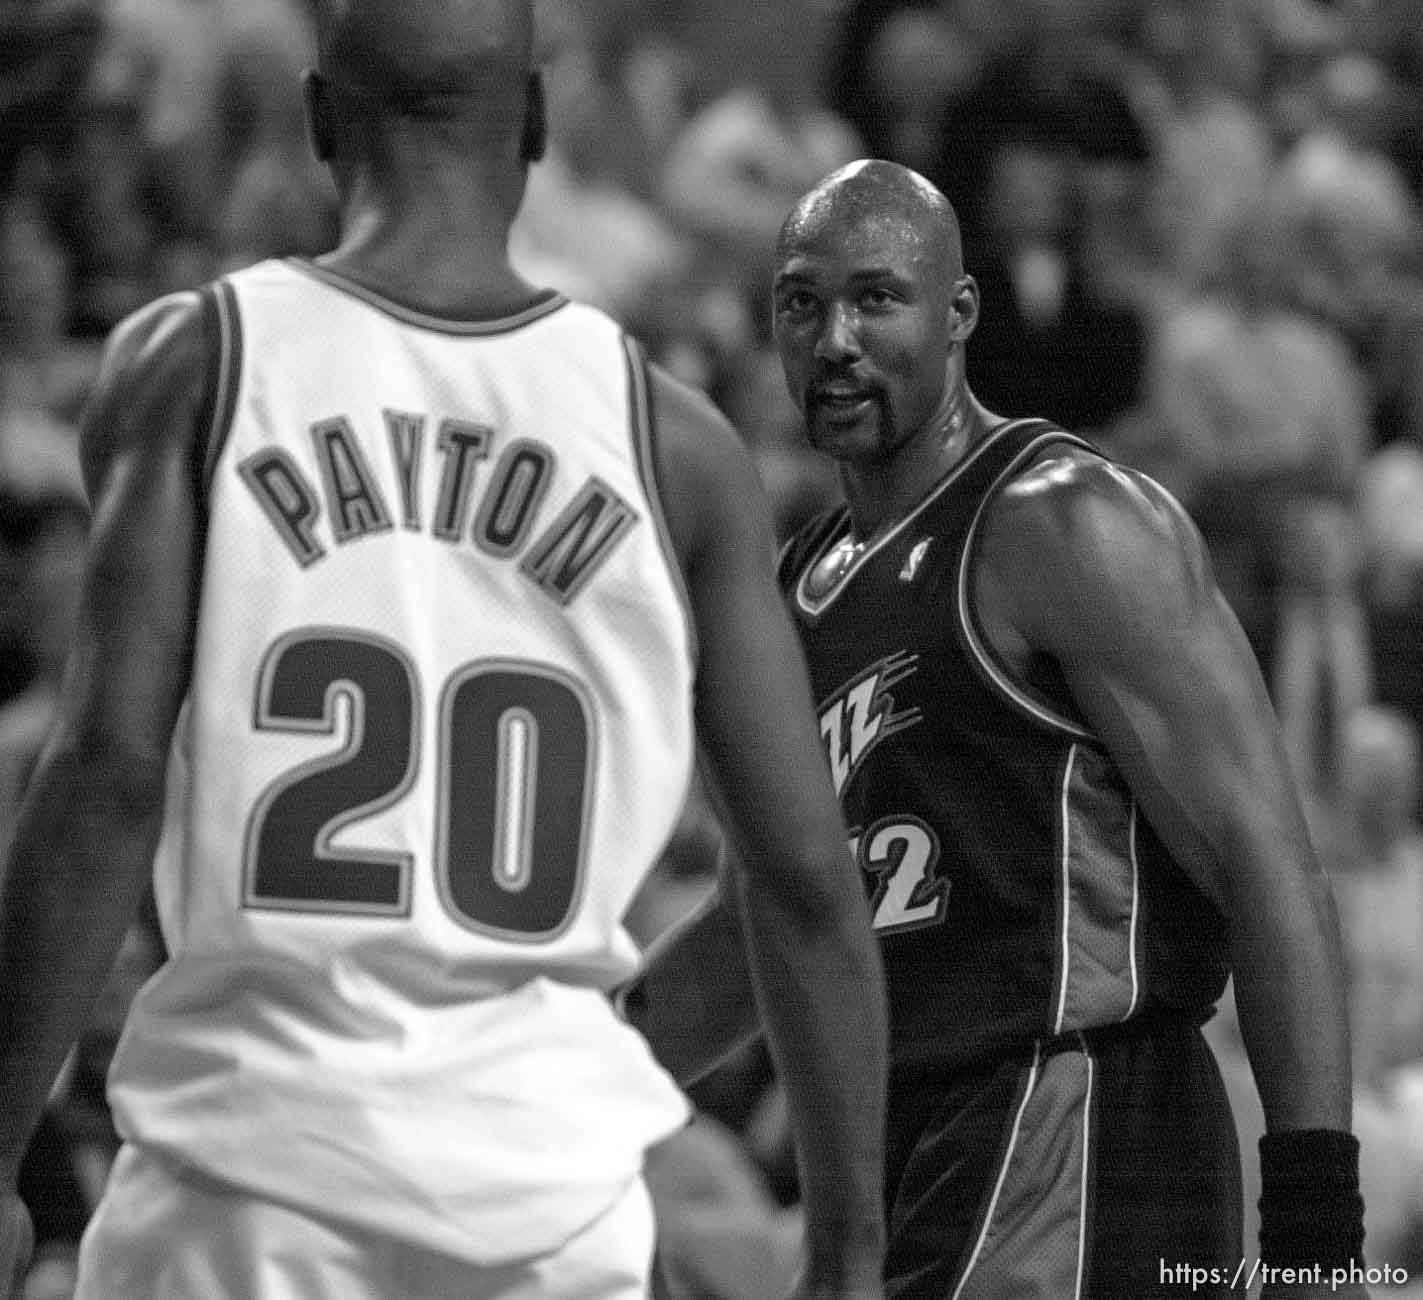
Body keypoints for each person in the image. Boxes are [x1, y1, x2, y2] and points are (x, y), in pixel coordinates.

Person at [0, 4, 889, 1297]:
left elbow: (105, 776)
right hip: (547, 1214)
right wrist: (850, 1255)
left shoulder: (195, 365)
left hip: (244, 1195)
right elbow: (807, 879)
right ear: (532, 123)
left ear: (316, 123)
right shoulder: (675, 446)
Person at [624, 159, 1371, 1300]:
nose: (833, 338)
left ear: (960, 311)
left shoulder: (1062, 519)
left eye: (876, 297)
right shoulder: (796, 587)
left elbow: (1265, 858)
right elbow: (754, 930)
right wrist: (563, 1070)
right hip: (907, 1141)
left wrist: (1316, 1234)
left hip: (1074, 1119)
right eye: (800, 302)